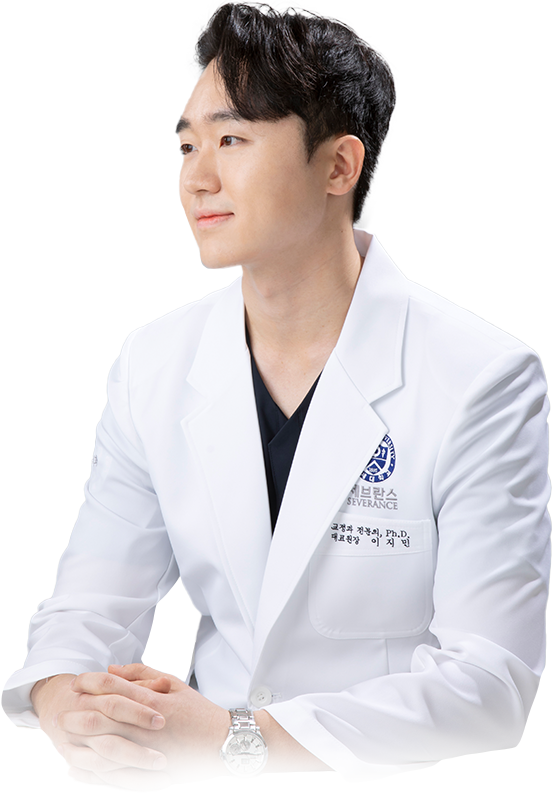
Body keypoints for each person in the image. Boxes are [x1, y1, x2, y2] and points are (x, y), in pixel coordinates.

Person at [2, 1, 550, 792]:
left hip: (399, 783)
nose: (198, 177)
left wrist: (239, 740)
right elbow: (88, 611)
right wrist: (68, 703)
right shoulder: (153, 365)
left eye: (231, 140)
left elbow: (489, 681)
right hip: (197, 778)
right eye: (187, 144)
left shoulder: (481, 378)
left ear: (339, 166)